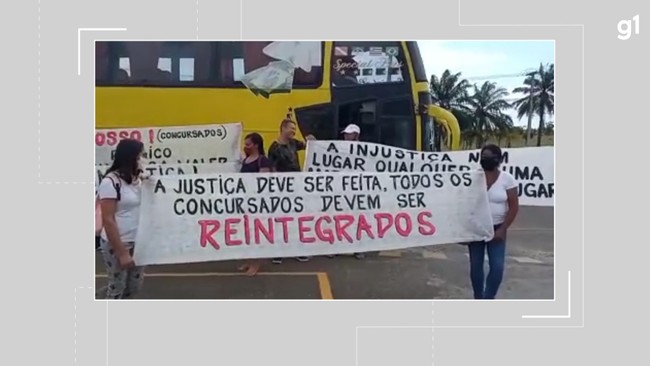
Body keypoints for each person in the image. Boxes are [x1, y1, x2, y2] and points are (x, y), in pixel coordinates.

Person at [467, 144, 520, 299]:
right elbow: (463, 202)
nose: (486, 160)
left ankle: (488, 298)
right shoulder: (473, 177)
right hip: (476, 228)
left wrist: (503, 229)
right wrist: (463, 229)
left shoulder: (507, 179)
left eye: (490, 157)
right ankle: (478, 297)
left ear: (499, 159)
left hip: (498, 228)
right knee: (475, 267)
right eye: (483, 157)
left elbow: (514, 206)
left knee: (497, 268)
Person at [97, 139, 146, 299]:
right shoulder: (110, 182)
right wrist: (122, 253)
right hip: (117, 243)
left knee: (134, 286)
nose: (142, 160)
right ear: (130, 157)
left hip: (137, 242)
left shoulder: (138, 180)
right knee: (117, 286)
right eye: (139, 156)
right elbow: (108, 219)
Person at [267, 118, 315, 264]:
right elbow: (272, 170)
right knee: (280, 220)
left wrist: (312, 140)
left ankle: (297, 250)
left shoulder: (294, 143)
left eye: (294, 129)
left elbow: (310, 146)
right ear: (283, 129)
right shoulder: (274, 148)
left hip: (297, 187)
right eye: (291, 128)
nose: (294, 131)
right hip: (281, 189)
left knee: (296, 219)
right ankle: (278, 252)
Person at [327, 123, 365, 259]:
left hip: (356, 190)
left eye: (349, 133)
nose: (346, 136)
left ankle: (358, 248)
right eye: (346, 133)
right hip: (340, 189)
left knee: (356, 219)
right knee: (339, 218)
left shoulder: (364, 150)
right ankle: (336, 247)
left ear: (356, 135)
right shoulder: (338, 148)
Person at [237, 133, 273, 276]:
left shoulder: (263, 161)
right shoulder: (245, 161)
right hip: (245, 201)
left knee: (254, 233)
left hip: (257, 203)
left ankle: (255, 263)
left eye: (248, 144)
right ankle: (248, 260)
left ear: (256, 145)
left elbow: (262, 184)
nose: (245, 147)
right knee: (246, 233)